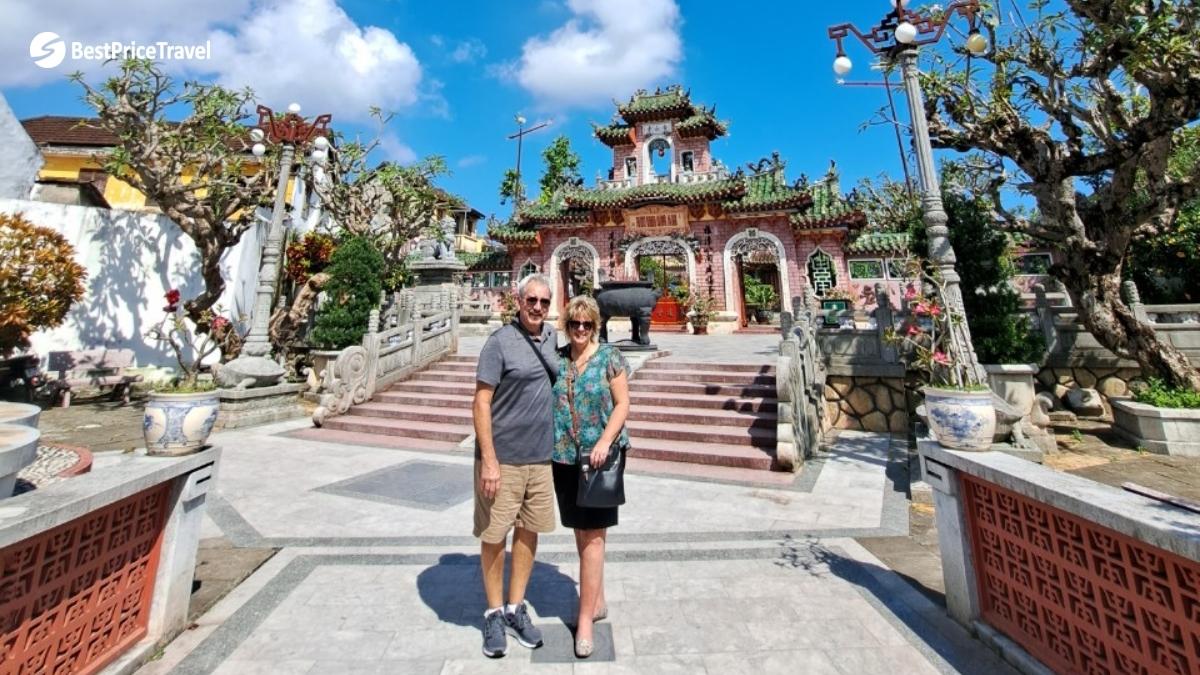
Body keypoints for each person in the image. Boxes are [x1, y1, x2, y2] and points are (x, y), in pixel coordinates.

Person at [472, 273, 559, 658]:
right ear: (518, 301)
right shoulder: (498, 344)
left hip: (541, 459)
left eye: (544, 301)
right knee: (494, 535)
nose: (537, 307)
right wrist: (489, 460)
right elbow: (481, 402)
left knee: (528, 532)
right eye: (531, 300)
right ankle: (493, 612)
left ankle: (515, 606)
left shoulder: (555, 339)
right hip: (502, 459)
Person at [551, 295, 630, 658]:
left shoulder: (610, 358)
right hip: (566, 457)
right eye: (574, 324)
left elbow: (623, 404)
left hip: (600, 457)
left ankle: (585, 620)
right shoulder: (559, 359)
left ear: (595, 325)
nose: (580, 330)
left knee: (594, 535)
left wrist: (604, 440)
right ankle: (597, 600)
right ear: (566, 326)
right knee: (582, 533)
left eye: (586, 324)